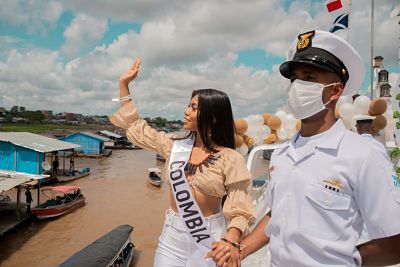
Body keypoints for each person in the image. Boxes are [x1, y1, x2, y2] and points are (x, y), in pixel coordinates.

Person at [209, 30, 400, 266]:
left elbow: (394, 240)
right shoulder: (282, 154)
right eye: (294, 79)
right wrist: (240, 249)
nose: (297, 86)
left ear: (335, 90)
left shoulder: (363, 155)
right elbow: (276, 215)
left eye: (308, 78)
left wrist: (347, 261)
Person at [110, 58, 256, 267]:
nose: (186, 111)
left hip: (211, 239)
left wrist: (231, 240)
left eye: (194, 107)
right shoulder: (173, 145)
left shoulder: (231, 158)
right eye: (188, 105)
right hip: (172, 237)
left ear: (212, 117)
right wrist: (124, 85)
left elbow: (240, 208)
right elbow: (137, 128)